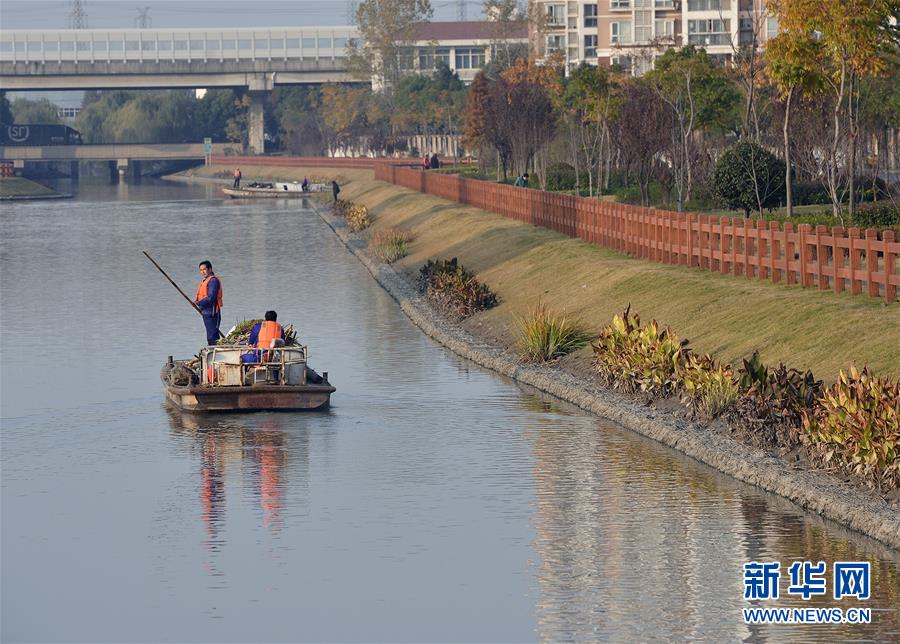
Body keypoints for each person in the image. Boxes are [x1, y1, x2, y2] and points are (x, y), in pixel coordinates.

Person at [194, 260, 222, 346]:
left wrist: (199, 303)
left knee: (213, 336)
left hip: (212, 312)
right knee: (210, 336)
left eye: (204, 269)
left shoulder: (213, 281)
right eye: (201, 270)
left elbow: (211, 297)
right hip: (206, 312)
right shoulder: (206, 281)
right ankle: (212, 352)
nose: (202, 272)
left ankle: (215, 354)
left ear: (210, 269)